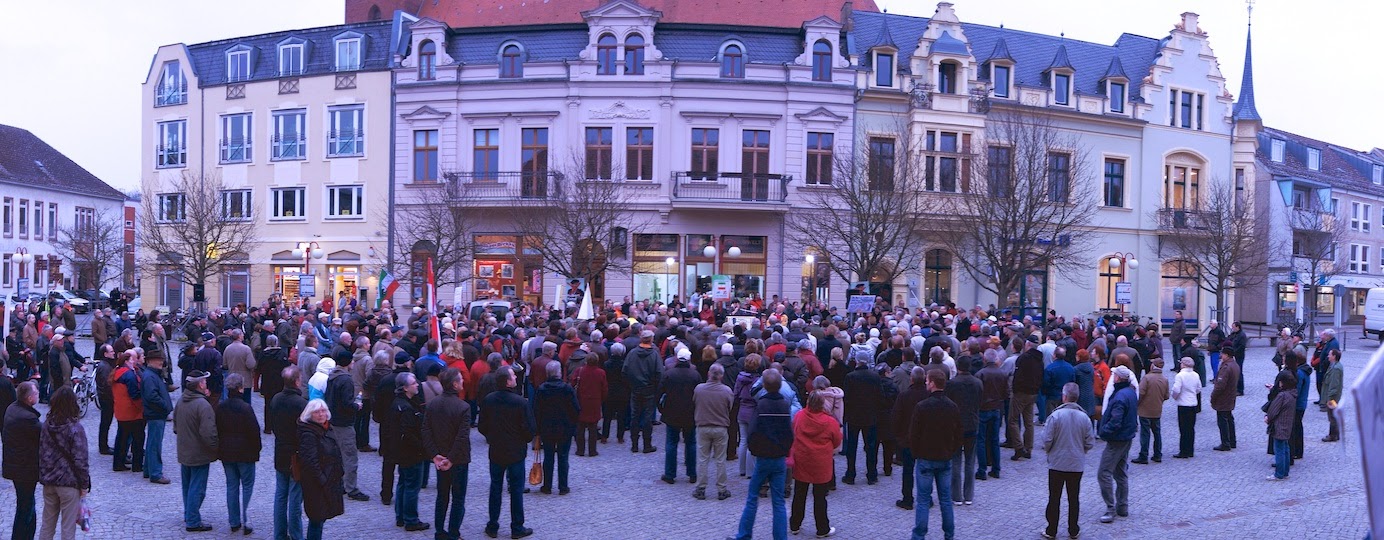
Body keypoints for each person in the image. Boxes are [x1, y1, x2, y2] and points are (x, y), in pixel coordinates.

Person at [730, 369, 793, 540]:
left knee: (752, 498)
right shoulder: (785, 405)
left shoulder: (762, 405)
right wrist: (784, 450)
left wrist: (756, 451)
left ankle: (744, 535)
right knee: (778, 502)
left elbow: (753, 432)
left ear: (764, 385)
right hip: (779, 458)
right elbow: (789, 433)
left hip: (764, 457)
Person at [478, 366, 536, 539]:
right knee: (516, 490)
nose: (516, 379)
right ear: (507, 381)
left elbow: (482, 426)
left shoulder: (489, 400)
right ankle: (517, 527)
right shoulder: (520, 402)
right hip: (516, 452)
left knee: (495, 487)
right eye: (513, 376)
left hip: (496, 450)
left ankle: (492, 525)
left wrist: (491, 437)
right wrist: (522, 439)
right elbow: (530, 428)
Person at [908, 369, 962, 540]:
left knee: (923, 501)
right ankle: (949, 534)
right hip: (945, 457)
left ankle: (919, 536)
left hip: (925, 458)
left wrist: (916, 453)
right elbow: (959, 434)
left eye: (927, 381)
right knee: (946, 501)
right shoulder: (952, 406)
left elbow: (913, 434)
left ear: (932, 383)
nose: (925, 383)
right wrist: (951, 451)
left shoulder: (922, 407)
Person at [1042, 383, 1094, 540]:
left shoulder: (1055, 416)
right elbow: (1090, 442)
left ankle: (1051, 530)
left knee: (1054, 498)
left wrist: (1050, 451)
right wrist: (1081, 450)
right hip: (1076, 464)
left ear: (1064, 396)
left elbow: (1046, 439)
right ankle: (1073, 529)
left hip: (1057, 463)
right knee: (1074, 498)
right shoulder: (1084, 417)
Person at [424, 367, 471, 540]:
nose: (463, 382)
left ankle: (439, 531)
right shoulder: (463, 407)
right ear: (454, 384)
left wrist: (434, 454)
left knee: (442, 495)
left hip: (441, 458)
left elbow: (426, 430)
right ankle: (453, 533)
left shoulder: (432, 404)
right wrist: (450, 458)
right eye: (461, 380)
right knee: (458, 498)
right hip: (457, 459)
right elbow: (462, 436)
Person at [37, 386, 90, 540]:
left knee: (47, 524)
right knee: (68, 528)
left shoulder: (47, 425)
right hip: (68, 483)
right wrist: (84, 485)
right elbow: (81, 460)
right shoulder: (75, 428)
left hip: (49, 482)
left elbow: (43, 452)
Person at [788, 392, 841, 538]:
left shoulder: (799, 416)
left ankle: (795, 524)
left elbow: (794, 431)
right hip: (821, 463)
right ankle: (822, 528)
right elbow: (837, 440)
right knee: (820, 496)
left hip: (802, 460)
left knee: (799, 494)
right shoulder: (830, 422)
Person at [216, 374, 262, 534]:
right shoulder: (245, 408)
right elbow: (254, 432)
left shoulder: (221, 407)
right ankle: (246, 520)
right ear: (240, 388)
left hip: (227, 453)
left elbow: (218, 429)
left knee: (232, 485)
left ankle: (234, 521)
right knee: (247, 485)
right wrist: (257, 450)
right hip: (245, 453)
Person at [174, 370, 219, 532]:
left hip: (184, 450)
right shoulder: (203, 405)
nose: (206, 384)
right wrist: (215, 448)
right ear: (200, 384)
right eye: (204, 382)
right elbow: (208, 433)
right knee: (197, 488)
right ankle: (193, 520)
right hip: (198, 453)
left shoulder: (181, 401)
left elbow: (175, 427)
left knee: (187, 486)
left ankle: (189, 514)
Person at [323, 352, 368, 503]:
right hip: (344, 423)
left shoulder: (332, 376)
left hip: (333, 421)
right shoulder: (346, 379)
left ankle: (341, 483)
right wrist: (357, 405)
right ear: (348, 363)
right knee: (350, 456)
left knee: (339, 455)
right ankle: (351, 488)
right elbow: (346, 404)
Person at [269, 367, 308, 540]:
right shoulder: (301, 404)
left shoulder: (276, 399)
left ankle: (279, 534)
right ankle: (296, 535)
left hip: (280, 451)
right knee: (294, 498)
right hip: (296, 454)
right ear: (297, 381)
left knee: (280, 495)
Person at [297, 399, 345, 540]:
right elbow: (310, 461)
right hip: (317, 484)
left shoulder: (326, 428)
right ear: (310, 414)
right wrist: (323, 480)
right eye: (316, 412)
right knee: (317, 519)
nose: (321, 414)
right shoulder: (309, 433)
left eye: (323, 410)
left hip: (328, 481)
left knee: (320, 518)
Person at [388, 372, 429, 531]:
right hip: (411, 454)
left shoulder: (399, 403)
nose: (417, 385)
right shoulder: (406, 407)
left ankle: (401, 516)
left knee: (403, 483)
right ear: (405, 388)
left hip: (403, 453)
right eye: (413, 383)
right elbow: (408, 433)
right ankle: (411, 520)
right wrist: (421, 446)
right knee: (411, 486)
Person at [1097, 366, 1137, 524]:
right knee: (1120, 473)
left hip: (1117, 440)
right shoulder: (1130, 392)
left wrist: (1104, 432)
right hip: (1126, 437)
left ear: (1119, 378)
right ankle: (1122, 506)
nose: (1112, 377)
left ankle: (1110, 508)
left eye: (1114, 375)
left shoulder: (1120, 396)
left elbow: (1115, 421)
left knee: (1104, 473)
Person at [533, 361, 578, 495]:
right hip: (564, 428)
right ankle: (563, 486)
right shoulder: (567, 389)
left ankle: (547, 486)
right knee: (563, 457)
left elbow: (536, 411)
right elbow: (575, 408)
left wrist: (538, 429)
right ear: (559, 373)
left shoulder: (541, 389)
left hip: (547, 429)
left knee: (548, 457)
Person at [659, 347, 702, 484]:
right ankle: (692, 473)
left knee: (671, 443)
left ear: (677, 358)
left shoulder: (669, 374)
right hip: (690, 413)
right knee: (691, 443)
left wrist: (662, 409)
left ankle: (670, 474)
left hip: (672, 413)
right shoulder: (695, 375)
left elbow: (659, 393)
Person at [3, 382, 40, 539]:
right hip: (24, 468)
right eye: (37, 393)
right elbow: (44, 434)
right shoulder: (28, 418)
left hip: (17, 465)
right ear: (30, 398)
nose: (38, 394)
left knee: (26, 505)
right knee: (26, 507)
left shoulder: (13, 408)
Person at [693, 363, 735, 501]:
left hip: (703, 426)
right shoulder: (727, 391)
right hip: (720, 427)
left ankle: (701, 488)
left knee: (702, 459)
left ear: (709, 374)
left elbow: (695, 403)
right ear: (721, 376)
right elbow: (730, 407)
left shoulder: (699, 389)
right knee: (720, 460)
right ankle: (721, 489)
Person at [946, 358, 982, 506]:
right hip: (972, 424)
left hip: (956, 425)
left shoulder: (952, 384)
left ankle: (956, 495)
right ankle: (968, 495)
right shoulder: (978, 383)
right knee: (970, 461)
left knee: (955, 460)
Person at [842, 356, 882, 485]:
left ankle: (850, 474)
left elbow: (846, 398)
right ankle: (871, 475)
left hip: (854, 416)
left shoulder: (850, 377)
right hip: (870, 416)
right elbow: (880, 396)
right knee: (870, 447)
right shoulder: (875, 377)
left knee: (852, 447)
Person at [624, 331, 663, 454]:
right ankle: (647, 444)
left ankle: (634, 444)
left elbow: (625, 371)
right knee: (647, 417)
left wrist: (631, 384)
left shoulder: (632, 354)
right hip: (649, 390)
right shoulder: (654, 355)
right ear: (651, 340)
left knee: (635, 416)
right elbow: (659, 373)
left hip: (635, 389)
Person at [140, 350, 174, 484]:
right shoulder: (150, 376)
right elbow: (151, 396)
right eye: (157, 360)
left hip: (156, 413)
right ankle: (155, 473)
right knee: (155, 444)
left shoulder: (152, 374)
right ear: (149, 361)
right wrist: (165, 405)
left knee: (152, 442)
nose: (161, 362)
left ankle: (148, 470)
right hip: (156, 414)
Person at [111, 350, 146, 473]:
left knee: (122, 438)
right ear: (126, 361)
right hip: (132, 412)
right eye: (132, 359)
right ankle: (137, 465)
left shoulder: (117, 373)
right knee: (138, 439)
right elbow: (134, 395)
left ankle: (118, 463)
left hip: (121, 411)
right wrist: (141, 408)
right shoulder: (129, 375)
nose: (134, 361)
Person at [1131, 359, 1169, 464]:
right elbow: (1166, 396)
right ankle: (1157, 454)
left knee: (1145, 433)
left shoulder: (1147, 378)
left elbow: (1141, 393)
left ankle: (1143, 455)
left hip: (1145, 410)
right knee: (1157, 432)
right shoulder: (1164, 379)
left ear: (1153, 366)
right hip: (1157, 410)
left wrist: (1137, 404)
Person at [1010, 346, 1043, 460]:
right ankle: (1028, 448)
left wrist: (1015, 389)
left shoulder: (1023, 358)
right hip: (1033, 392)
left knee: (1013, 420)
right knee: (1029, 422)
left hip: (1021, 392)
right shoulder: (1039, 360)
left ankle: (1019, 447)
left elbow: (1017, 376)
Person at [1266, 371, 1297, 480]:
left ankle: (1279, 473)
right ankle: (1285, 471)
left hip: (1279, 425)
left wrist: (1268, 418)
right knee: (1285, 448)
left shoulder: (1282, 396)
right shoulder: (1293, 394)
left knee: (1279, 449)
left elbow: (1273, 410)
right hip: (1288, 424)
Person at [1170, 357, 1201, 459]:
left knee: (1183, 429)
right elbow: (1198, 388)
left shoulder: (1180, 375)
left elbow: (1176, 389)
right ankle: (1190, 450)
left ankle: (1183, 451)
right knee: (1191, 428)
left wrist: (1175, 397)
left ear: (1183, 364)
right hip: (1193, 403)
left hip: (1183, 404)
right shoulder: (1196, 375)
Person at [1211, 349, 1241, 452]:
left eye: (1222, 354)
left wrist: (1213, 396)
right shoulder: (1235, 365)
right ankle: (1232, 441)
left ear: (1227, 355)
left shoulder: (1226, 367)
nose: (1221, 355)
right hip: (1231, 396)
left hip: (1223, 397)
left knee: (1223, 420)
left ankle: (1225, 443)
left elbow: (1220, 385)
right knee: (1229, 418)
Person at [223, 330, 257, 404]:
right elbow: (251, 364)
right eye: (242, 334)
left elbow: (225, 364)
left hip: (232, 378)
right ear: (239, 336)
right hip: (245, 380)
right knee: (246, 401)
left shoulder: (228, 348)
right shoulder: (246, 349)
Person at [1321, 349, 1344, 442]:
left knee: (1332, 415)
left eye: (1330, 355)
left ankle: (1332, 435)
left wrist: (1329, 398)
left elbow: (1334, 384)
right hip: (1333, 396)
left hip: (1332, 397)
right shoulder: (1335, 366)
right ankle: (1336, 434)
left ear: (1334, 356)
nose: (1328, 356)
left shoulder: (1335, 368)